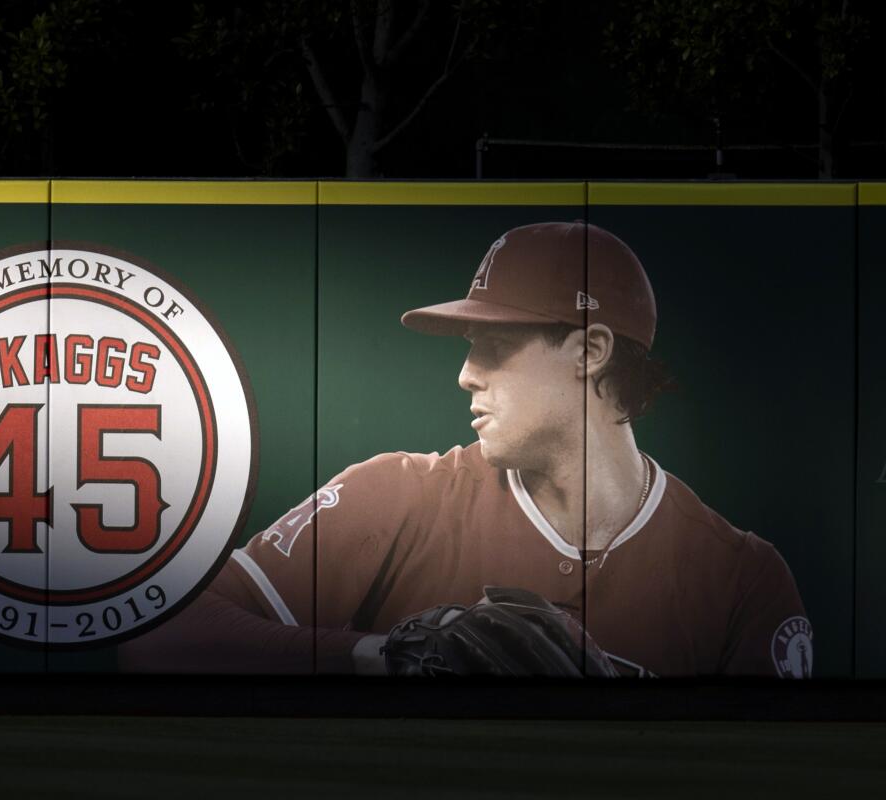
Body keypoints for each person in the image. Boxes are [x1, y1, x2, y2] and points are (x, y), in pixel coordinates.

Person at [121, 221, 812, 678]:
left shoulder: (740, 579)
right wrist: (383, 655)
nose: (465, 373)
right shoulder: (397, 496)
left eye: (496, 344)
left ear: (590, 352)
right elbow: (157, 639)